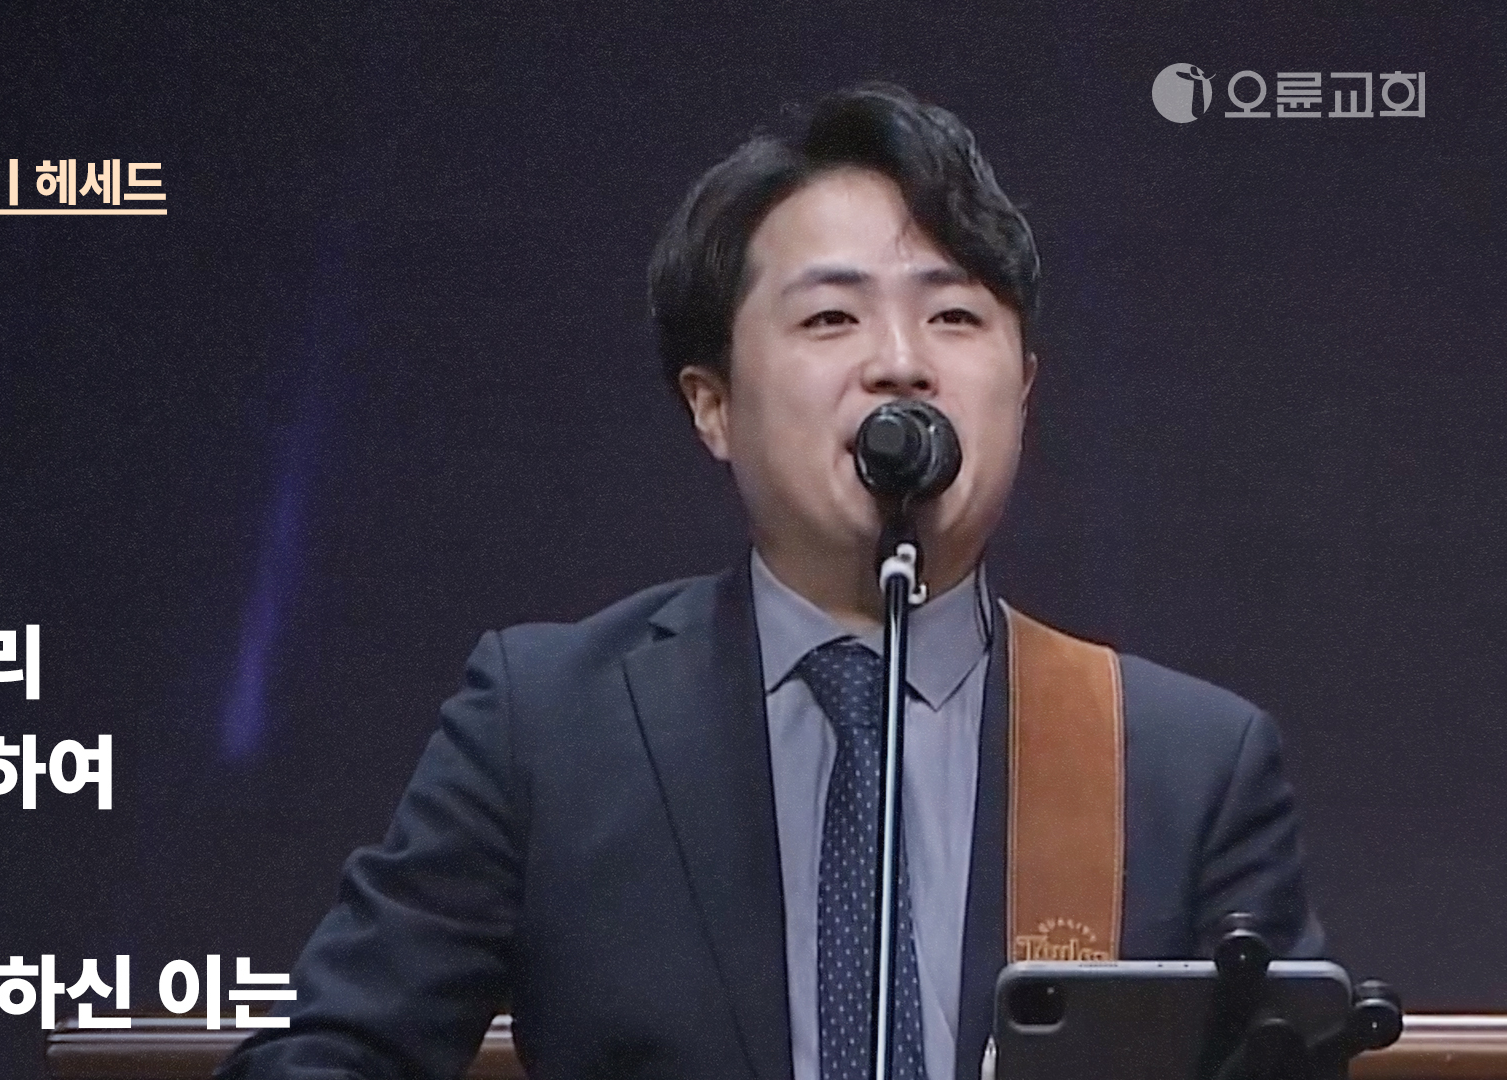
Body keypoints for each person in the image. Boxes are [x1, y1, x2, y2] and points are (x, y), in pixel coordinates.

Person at [222, 81, 1323, 1080]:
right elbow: (333, 1055)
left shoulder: (1184, 763)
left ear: (1023, 389)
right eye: (832, 317)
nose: (901, 361)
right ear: (712, 404)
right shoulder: (545, 726)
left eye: (954, 315)